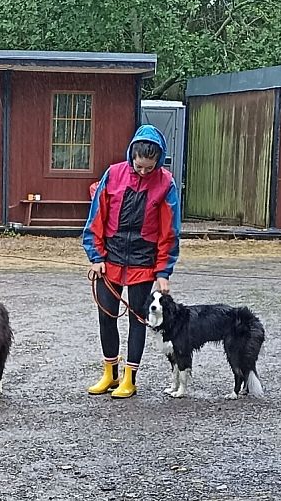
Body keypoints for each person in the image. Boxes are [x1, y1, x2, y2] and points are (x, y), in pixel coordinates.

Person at [82, 124, 181, 399]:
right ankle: (109, 373)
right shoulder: (113, 175)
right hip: (110, 261)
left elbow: (169, 231)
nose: (144, 172)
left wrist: (163, 271)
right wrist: (96, 256)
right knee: (106, 317)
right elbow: (97, 217)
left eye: (149, 167)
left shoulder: (165, 183)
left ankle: (130, 378)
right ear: (132, 156)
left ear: (158, 161)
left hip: (143, 263)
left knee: (138, 320)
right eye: (139, 166)